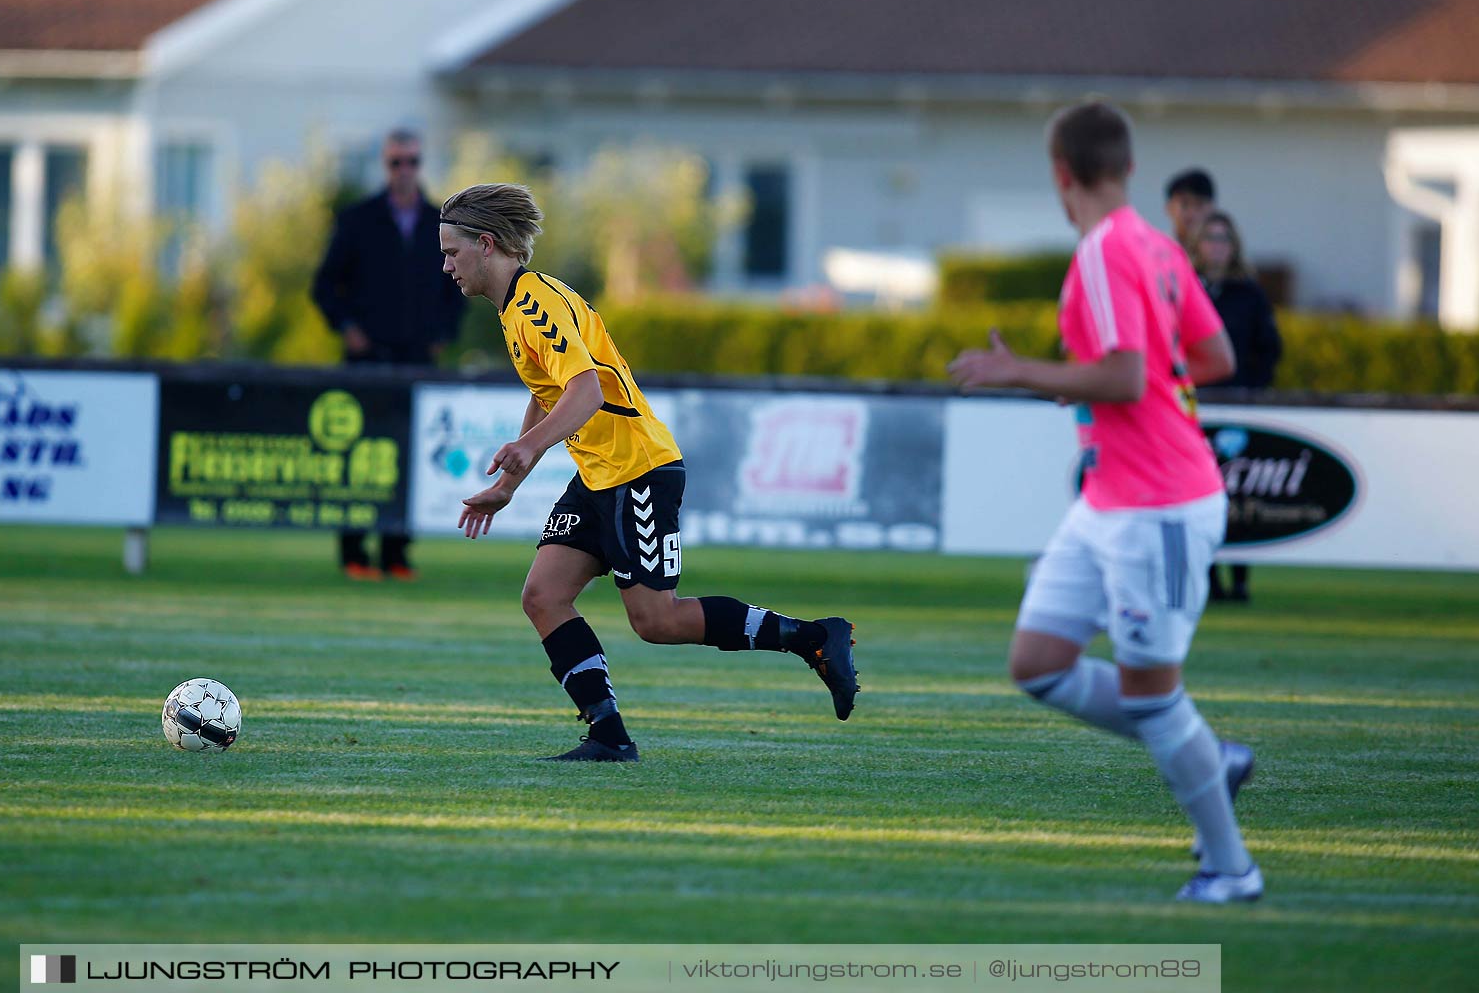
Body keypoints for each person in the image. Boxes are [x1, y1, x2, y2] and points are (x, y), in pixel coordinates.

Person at [948, 101, 1262, 904]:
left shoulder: (1101, 252)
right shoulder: (1158, 246)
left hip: (1158, 503)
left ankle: (1232, 868)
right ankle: (1209, 756)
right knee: (1039, 665)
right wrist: (1118, 384)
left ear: (1062, 177)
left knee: (1155, 697)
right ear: (1125, 167)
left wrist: (1025, 373)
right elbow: (1214, 355)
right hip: (1113, 500)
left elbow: (1124, 375)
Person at [437, 181, 858, 762]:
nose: (446, 265)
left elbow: (585, 391)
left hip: (639, 468)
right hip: (599, 475)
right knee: (543, 595)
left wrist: (529, 449)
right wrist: (509, 484)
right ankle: (607, 732)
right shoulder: (516, 310)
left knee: (656, 620)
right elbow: (551, 390)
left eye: (451, 251)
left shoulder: (536, 303)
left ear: (486, 244)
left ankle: (812, 637)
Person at [310, 128, 464, 581]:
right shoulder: (358, 220)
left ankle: (397, 554)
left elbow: (458, 287)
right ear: (385, 165)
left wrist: (443, 334)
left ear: (421, 164)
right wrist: (347, 329)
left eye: (411, 161)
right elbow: (323, 286)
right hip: (367, 361)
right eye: (396, 162)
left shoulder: (443, 223)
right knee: (360, 456)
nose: (404, 171)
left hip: (417, 360)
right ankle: (354, 553)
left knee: (409, 455)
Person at [1194, 210, 1283, 603]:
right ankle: (1209, 576)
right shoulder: (1186, 289)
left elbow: (1269, 347)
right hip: (1198, 404)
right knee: (1201, 492)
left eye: (1223, 239)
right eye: (1210, 238)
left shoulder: (1248, 293)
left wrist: (1252, 387)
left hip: (1239, 403)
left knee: (1240, 490)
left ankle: (1241, 577)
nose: (1216, 246)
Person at [1164, 168, 1216, 259]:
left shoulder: (1226, 258)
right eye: (1185, 204)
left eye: (1199, 204)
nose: (1191, 213)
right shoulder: (1156, 251)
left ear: (1213, 209)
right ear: (1169, 208)